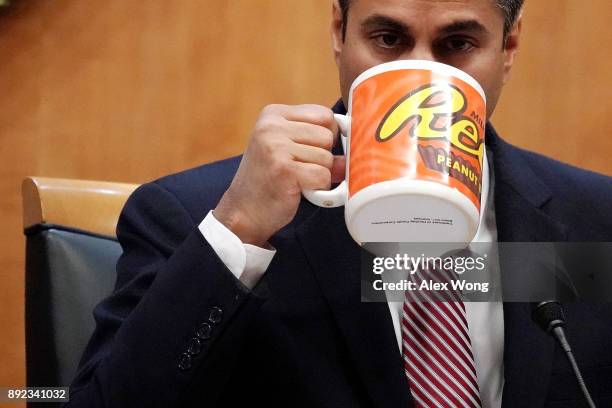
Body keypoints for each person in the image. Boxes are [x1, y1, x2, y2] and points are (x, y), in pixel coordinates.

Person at [66, 0, 612, 407]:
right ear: (338, 32)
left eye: (457, 45)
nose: (421, 75)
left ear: (509, 48)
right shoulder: (194, 216)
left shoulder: (593, 221)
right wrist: (241, 228)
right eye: (388, 39)